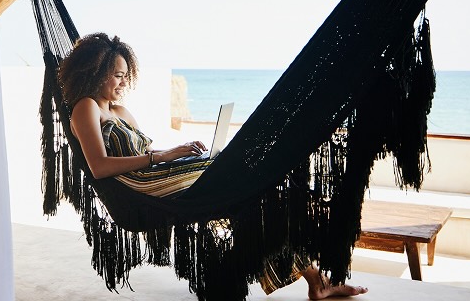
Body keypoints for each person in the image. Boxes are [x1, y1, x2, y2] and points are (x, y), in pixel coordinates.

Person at [57, 32, 368, 299]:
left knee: (255, 196)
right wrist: (163, 158)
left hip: (157, 176)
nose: (123, 82)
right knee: (247, 180)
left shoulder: (120, 109)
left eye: (126, 75)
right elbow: (98, 167)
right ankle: (317, 281)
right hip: (141, 188)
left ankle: (318, 282)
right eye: (116, 75)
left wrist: (177, 152)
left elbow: (150, 151)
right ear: (95, 72)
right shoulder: (86, 107)